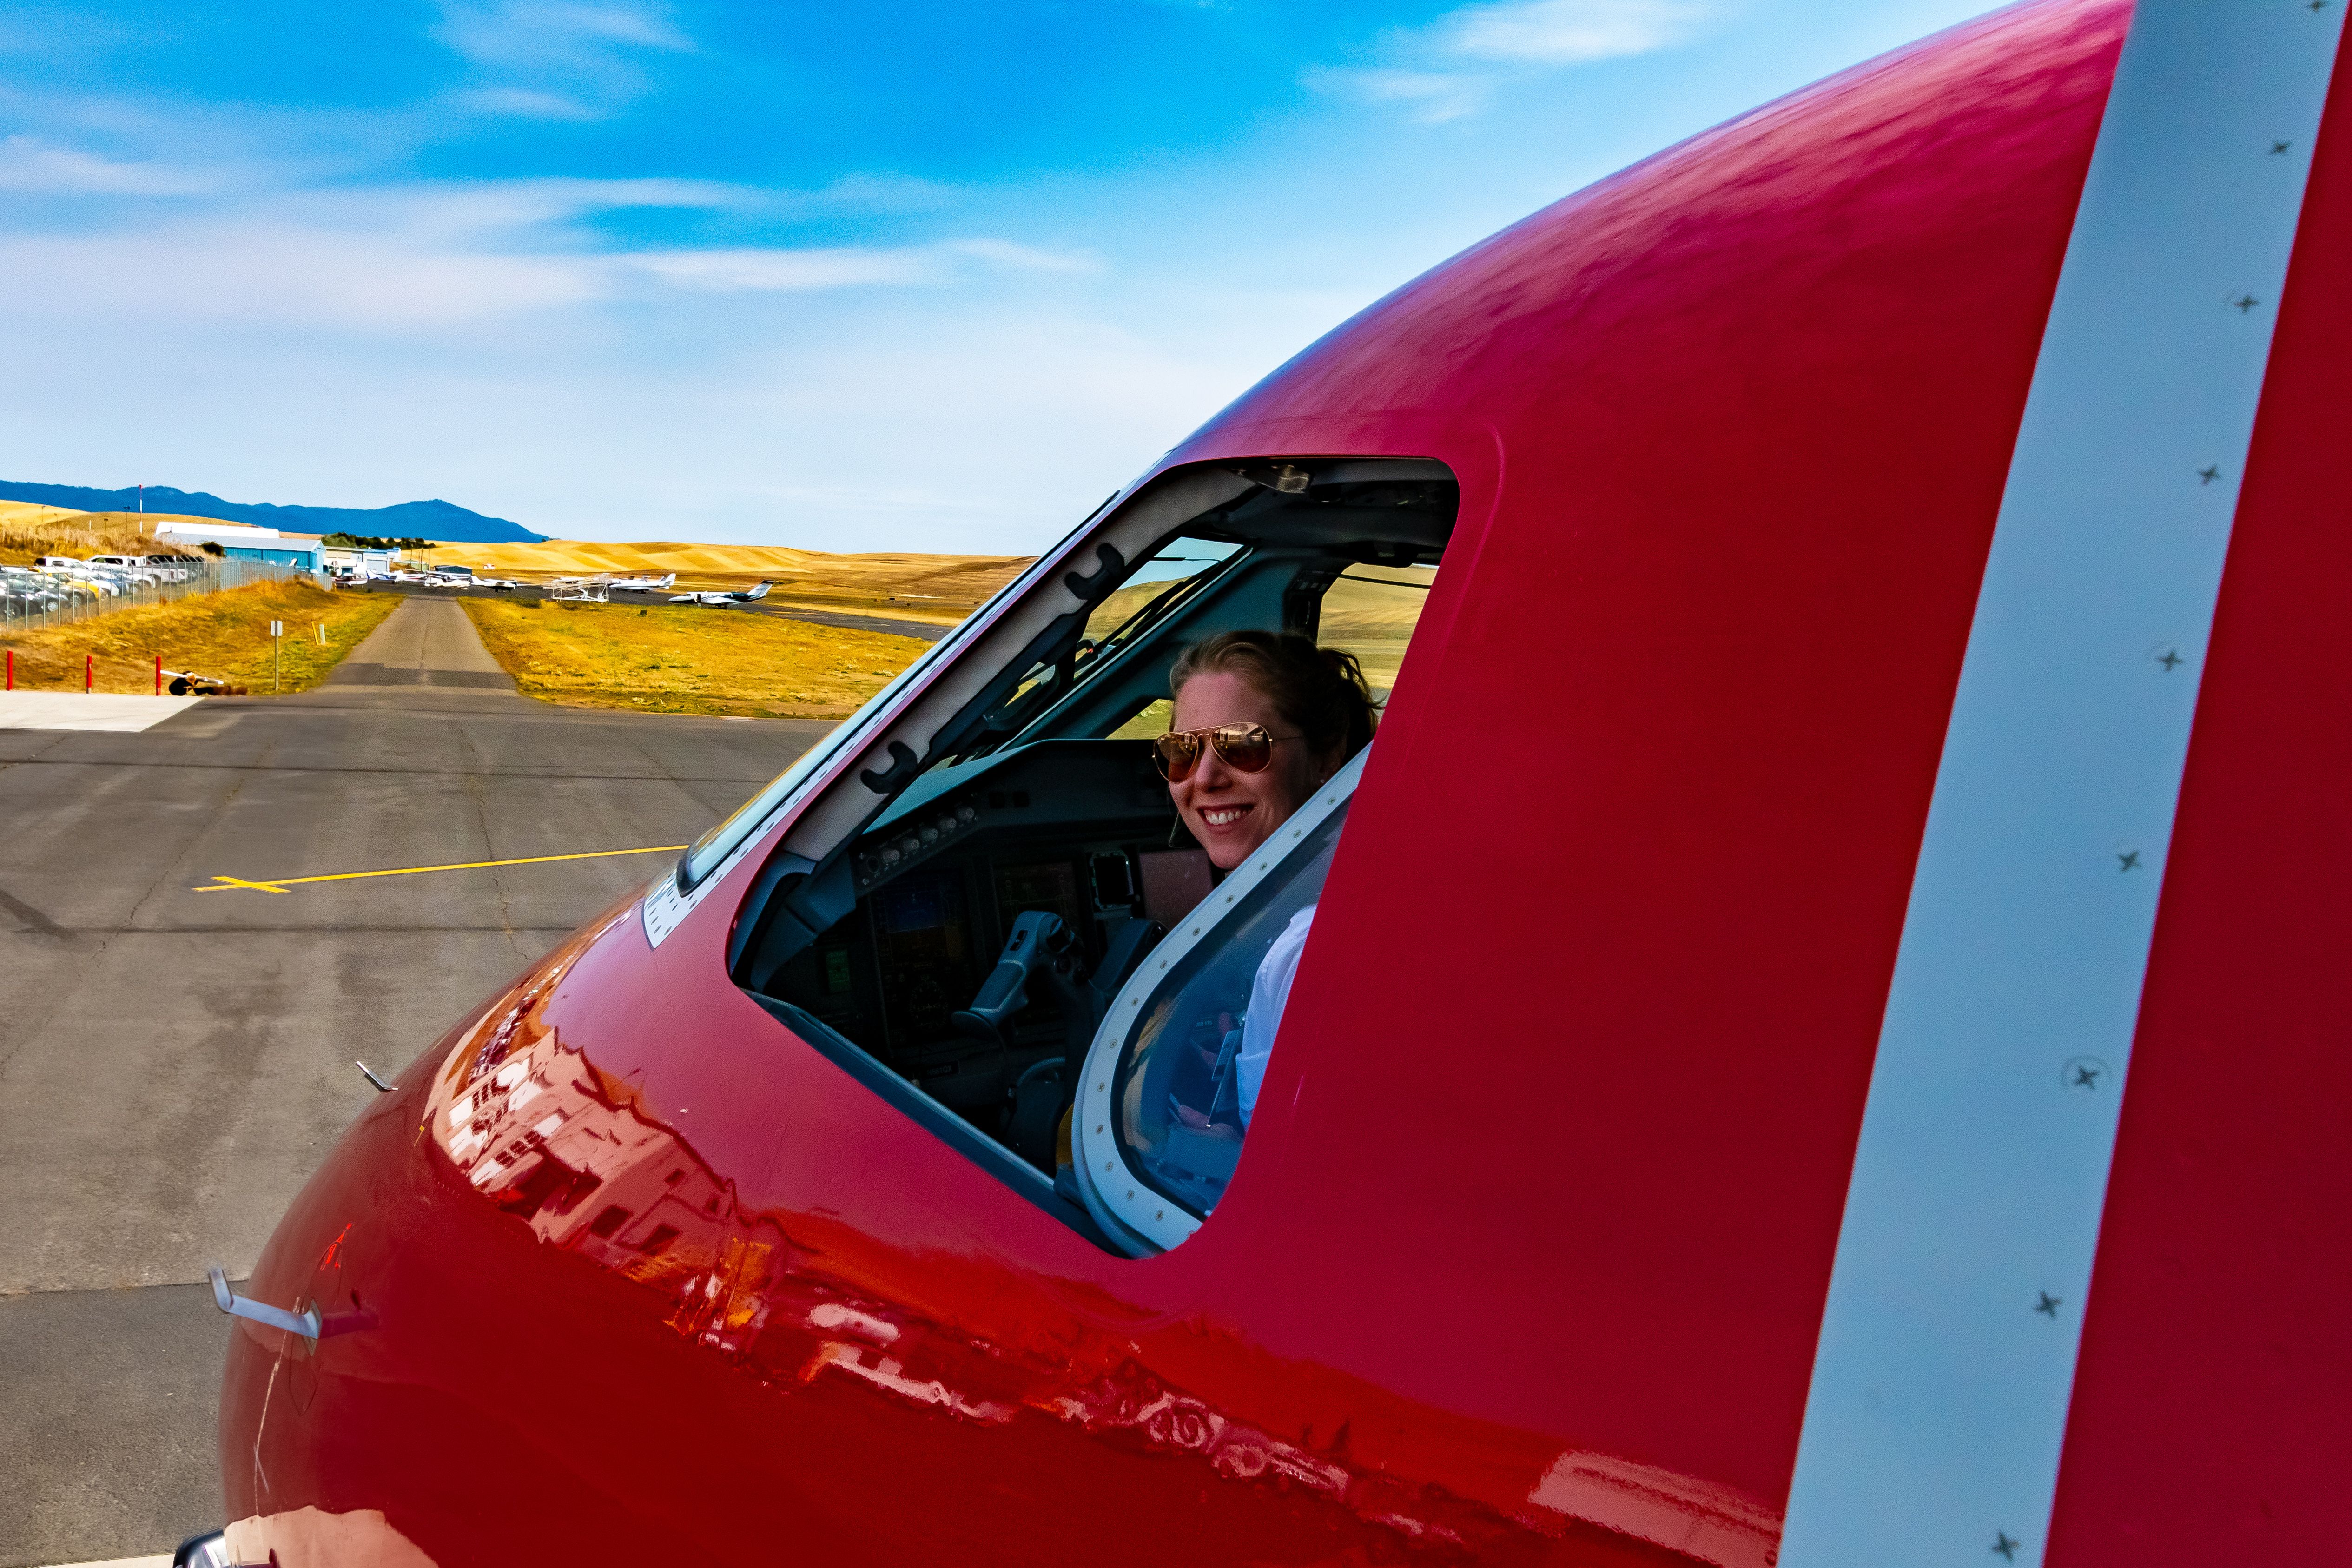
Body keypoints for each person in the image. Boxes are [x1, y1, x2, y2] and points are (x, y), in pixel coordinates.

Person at [1153, 629, 1377, 1127]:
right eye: (1181, 750)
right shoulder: (1354, 884)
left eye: (1243, 745)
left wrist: (1204, 1144)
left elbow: (1298, 1180)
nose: (1204, 777)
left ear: (1324, 759)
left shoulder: (1306, 949)